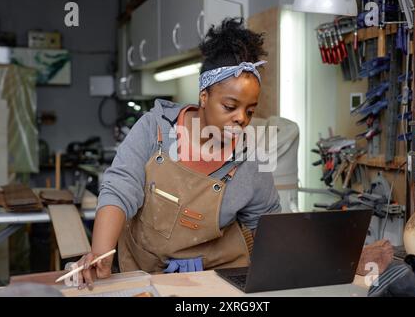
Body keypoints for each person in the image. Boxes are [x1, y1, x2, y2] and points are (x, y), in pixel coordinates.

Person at [76, 17, 281, 290]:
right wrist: (100, 254)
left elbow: (268, 224)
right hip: (148, 278)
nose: (241, 118)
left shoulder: (252, 158)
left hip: (220, 281)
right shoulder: (155, 129)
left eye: (250, 110)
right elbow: (120, 188)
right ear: (204, 96)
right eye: (230, 106)